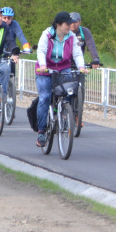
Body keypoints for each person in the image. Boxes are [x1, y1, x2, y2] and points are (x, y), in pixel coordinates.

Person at [34, 11, 87, 147]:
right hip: (46, 70)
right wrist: (43, 65)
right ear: (58, 24)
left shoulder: (71, 37)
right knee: (45, 97)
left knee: (70, 90)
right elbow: (41, 51)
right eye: (67, 24)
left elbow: (77, 53)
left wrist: (81, 67)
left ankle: (64, 111)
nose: (69, 26)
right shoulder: (47, 34)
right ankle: (41, 131)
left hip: (63, 68)